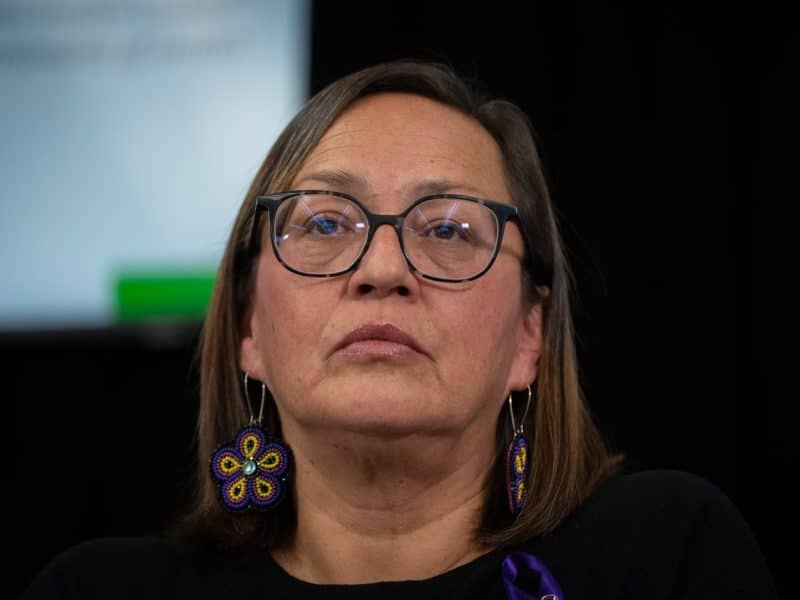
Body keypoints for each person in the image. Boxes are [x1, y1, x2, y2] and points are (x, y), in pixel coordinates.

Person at [20, 59, 777, 600]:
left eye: (448, 229)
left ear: (529, 336)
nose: (382, 269)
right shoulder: (94, 588)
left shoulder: (664, 554)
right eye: (325, 223)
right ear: (249, 325)